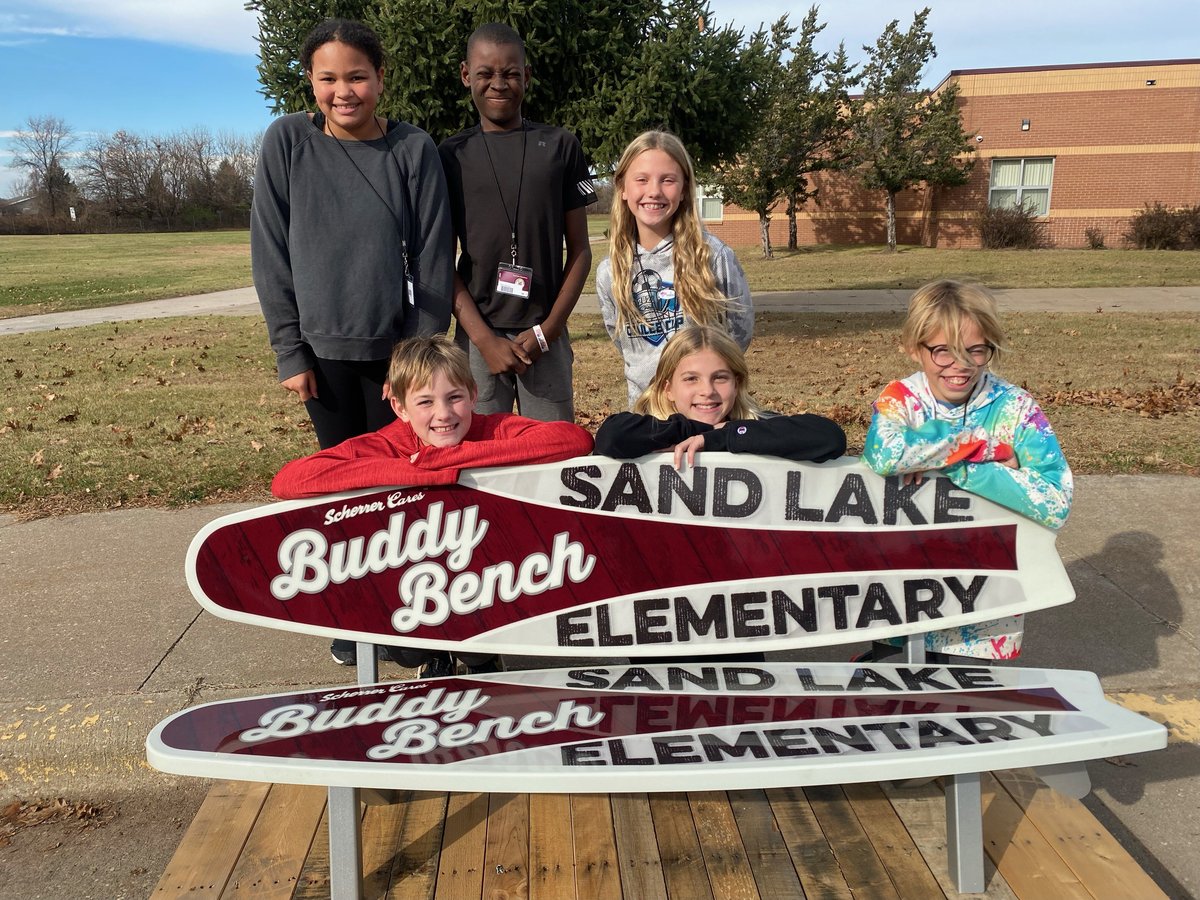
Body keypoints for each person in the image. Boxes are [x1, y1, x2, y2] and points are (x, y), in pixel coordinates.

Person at [272, 335, 595, 675]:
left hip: (490, 575)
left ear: (473, 395)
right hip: (413, 581)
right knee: (408, 650)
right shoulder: (389, 442)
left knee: (484, 636)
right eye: (425, 402)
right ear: (400, 408)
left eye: (454, 398)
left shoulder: (492, 429)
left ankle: (480, 658)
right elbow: (289, 480)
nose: (443, 414)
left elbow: (573, 439)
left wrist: (451, 460)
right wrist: (411, 469)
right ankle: (436, 656)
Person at [252, 17, 453, 453]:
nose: (343, 92)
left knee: (402, 473)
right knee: (342, 478)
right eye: (328, 78)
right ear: (311, 80)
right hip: (320, 357)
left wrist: (413, 360)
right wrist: (290, 352)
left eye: (357, 77)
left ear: (380, 78)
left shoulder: (413, 148)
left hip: (397, 355)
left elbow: (433, 257)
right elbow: (271, 254)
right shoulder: (286, 142)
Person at [860, 279, 1074, 662]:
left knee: (968, 715)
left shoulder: (1016, 409)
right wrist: (978, 447)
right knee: (895, 712)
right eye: (943, 351)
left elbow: (1055, 501)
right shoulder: (901, 399)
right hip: (902, 602)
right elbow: (884, 454)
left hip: (984, 615)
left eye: (975, 351)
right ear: (914, 348)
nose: (960, 366)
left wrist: (962, 471)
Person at [439, 23, 596, 422]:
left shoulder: (561, 146)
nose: (498, 83)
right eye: (485, 73)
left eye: (510, 73)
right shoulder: (450, 155)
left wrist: (551, 330)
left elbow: (580, 250)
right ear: (465, 75)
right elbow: (442, 260)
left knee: (553, 455)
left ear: (526, 76)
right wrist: (485, 340)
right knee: (476, 453)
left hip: (545, 335)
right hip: (479, 338)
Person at [597, 131, 753, 408]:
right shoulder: (610, 271)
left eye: (667, 180)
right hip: (644, 412)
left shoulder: (713, 256)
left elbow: (738, 335)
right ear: (623, 187)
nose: (654, 191)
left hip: (705, 413)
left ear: (683, 190)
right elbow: (623, 344)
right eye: (642, 179)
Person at [595, 325, 846, 468]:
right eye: (691, 379)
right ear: (667, 389)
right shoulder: (651, 428)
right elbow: (612, 435)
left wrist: (726, 435)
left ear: (737, 385)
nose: (708, 391)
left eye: (720, 378)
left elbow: (829, 437)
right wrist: (699, 431)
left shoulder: (750, 426)